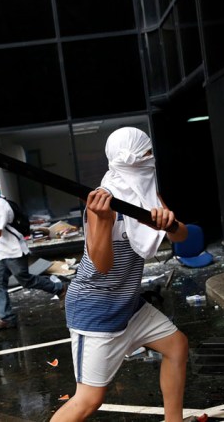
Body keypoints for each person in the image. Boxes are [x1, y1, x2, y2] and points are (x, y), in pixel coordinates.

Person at [51, 127, 191, 422]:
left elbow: (182, 237)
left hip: (128, 303)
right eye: (147, 153)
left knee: (176, 345)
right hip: (96, 307)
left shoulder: (148, 194)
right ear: (133, 158)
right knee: (89, 400)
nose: (152, 159)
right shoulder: (104, 201)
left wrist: (170, 224)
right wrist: (102, 220)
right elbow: (101, 265)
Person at [0, 156, 66, 330]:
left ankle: (60, 288)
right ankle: (6, 318)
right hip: (1, 251)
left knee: (25, 280)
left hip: (13, 250)